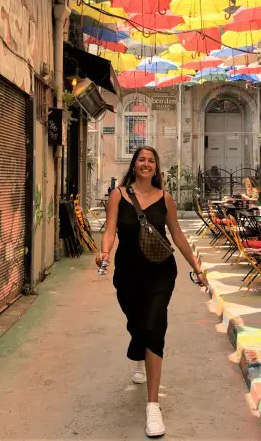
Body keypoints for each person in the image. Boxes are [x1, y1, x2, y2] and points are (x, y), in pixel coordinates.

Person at [95, 146, 209, 438]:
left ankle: (152, 405)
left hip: (161, 271)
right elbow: (109, 229)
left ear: (156, 168)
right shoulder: (118, 195)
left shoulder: (165, 199)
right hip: (128, 273)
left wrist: (197, 267)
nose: (146, 164)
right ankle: (138, 348)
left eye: (151, 161)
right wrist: (104, 251)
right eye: (141, 160)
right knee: (137, 324)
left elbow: (178, 235)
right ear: (134, 165)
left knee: (155, 326)